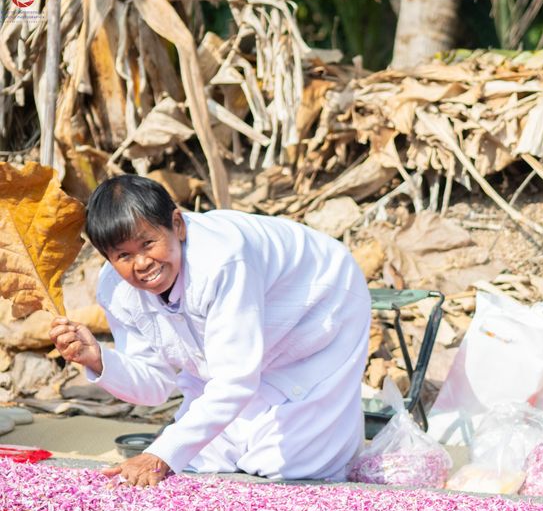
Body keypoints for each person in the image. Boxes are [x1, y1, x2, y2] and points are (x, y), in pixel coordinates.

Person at [49, 175, 371, 487]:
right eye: (123, 255)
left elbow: (235, 380)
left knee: (292, 467)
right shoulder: (116, 288)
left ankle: (334, 440)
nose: (142, 263)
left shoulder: (222, 261)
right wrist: (98, 360)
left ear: (178, 225)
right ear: (107, 257)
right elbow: (155, 386)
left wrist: (159, 454)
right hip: (248, 332)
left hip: (320, 304)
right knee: (200, 461)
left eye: (148, 243)